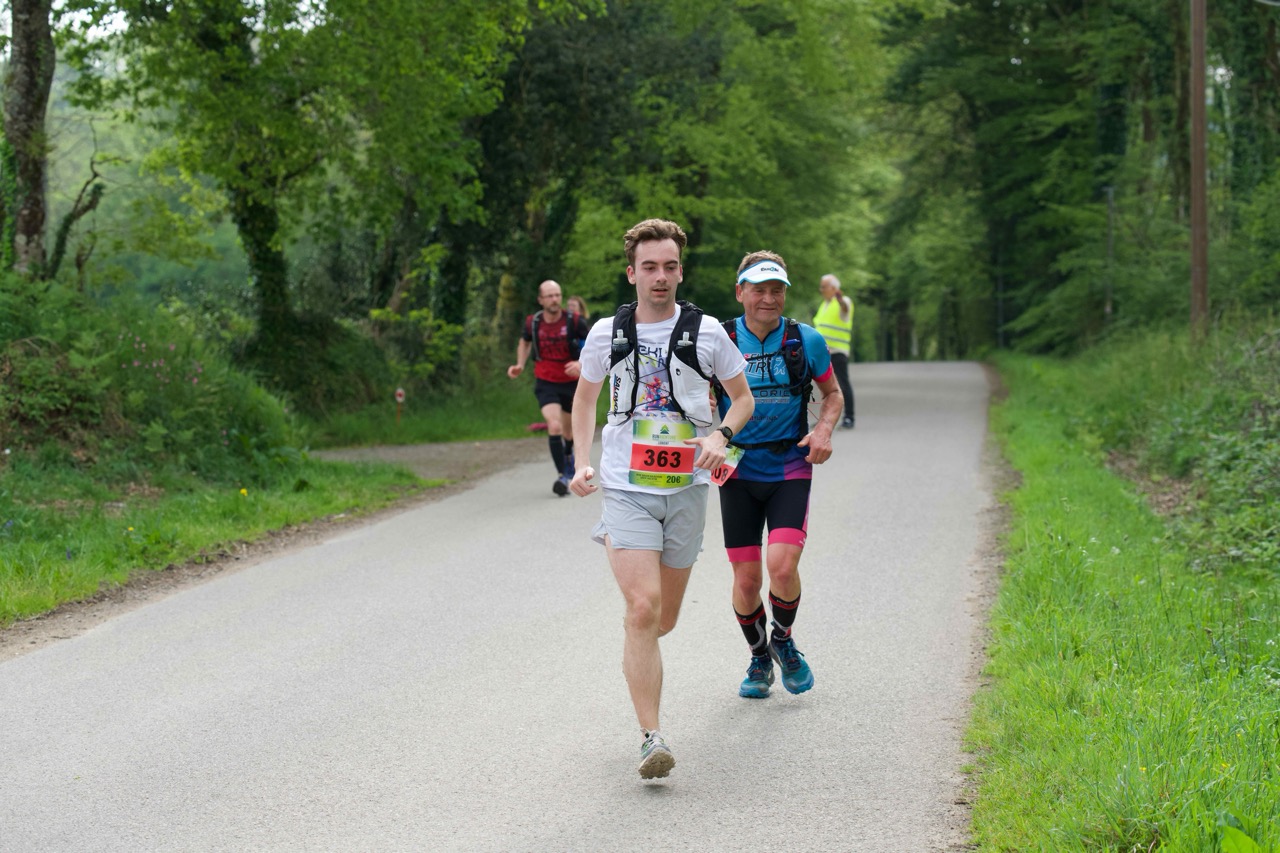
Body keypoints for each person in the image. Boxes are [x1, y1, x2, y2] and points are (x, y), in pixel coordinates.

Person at [569, 218, 754, 779]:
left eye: (669, 266)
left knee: (662, 619)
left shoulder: (708, 333)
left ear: (680, 271)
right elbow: (585, 399)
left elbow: (742, 399)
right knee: (643, 607)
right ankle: (652, 738)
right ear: (631, 273)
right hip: (626, 487)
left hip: (687, 488)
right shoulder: (606, 333)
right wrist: (580, 461)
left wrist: (722, 436)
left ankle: (637, 650)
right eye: (649, 267)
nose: (660, 277)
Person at [717, 251, 844, 700]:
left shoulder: (805, 339)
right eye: (759, 290)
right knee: (747, 580)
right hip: (736, 469)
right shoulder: (720, 339)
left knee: (783, 567)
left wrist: (823, 430)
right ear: (740, 292)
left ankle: (784, 641)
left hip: (790, 464)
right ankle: (758, 657)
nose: (768, 299)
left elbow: (832, 394)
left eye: (777, 290)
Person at [507, 279, 590, 496]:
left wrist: (581, 363)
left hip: (571, 383)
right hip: (546, 382)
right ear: (540, 300)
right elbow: (525, 342)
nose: (554, 300)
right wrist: (520, 364)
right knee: (554, 426)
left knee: (568, 432)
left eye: (557, 295)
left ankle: (568, 455)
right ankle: (563, 475)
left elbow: (593, 345)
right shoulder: (533, 322)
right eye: (550, 296)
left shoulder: (574, 321)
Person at [815, 273, 856, 429]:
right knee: (824, 387)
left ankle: (849, 417)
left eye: (823, 287)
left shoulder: (844, 301)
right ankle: (825, 419)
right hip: (823, 352)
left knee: (842, 384)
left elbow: (845, 310)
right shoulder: (824, 304)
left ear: (833, 288)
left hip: (838, 351)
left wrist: (840, 301)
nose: (821, 290)